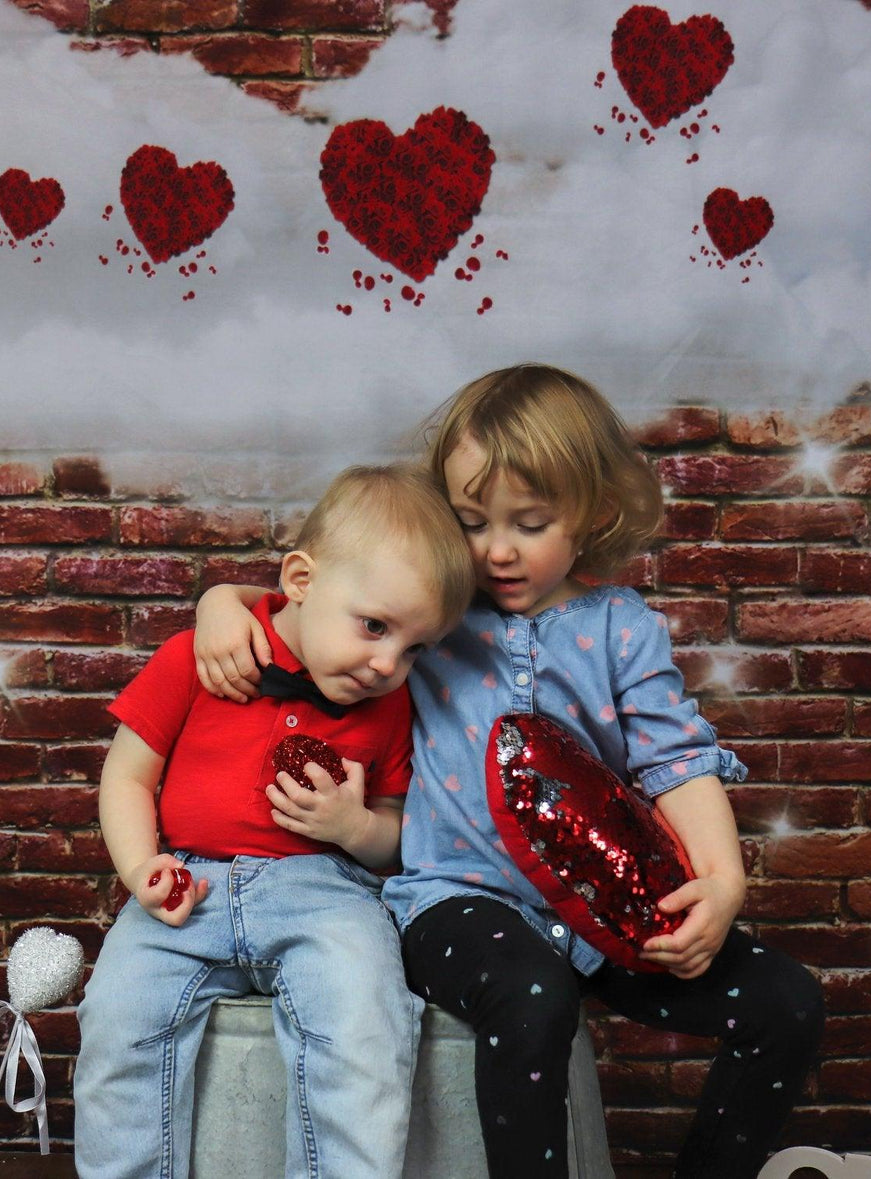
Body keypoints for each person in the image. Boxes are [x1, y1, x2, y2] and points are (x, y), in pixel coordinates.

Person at [192, 365, 825, 1179]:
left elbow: (677, 762)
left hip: (606, 912)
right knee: (533, 996)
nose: (495, 549)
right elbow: (322, 596)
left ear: (591, 513)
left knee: (786, 1004)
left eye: (529, 523)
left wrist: (722, 881)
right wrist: (220, 599)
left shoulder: (622, 631)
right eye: (469, 521)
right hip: (456, 904)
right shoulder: (431, 617)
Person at [74, 464, 474, 1179]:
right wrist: (141, 870)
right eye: (374, 626)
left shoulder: (387, 704)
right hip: (186, 882)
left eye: (414, 647)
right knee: (117, 1023)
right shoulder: (202, 656)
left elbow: (394, 831)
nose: (388, 662)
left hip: (325, 893)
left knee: (366, 1025)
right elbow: (127, 775)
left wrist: (353, 827)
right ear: (299, 579)